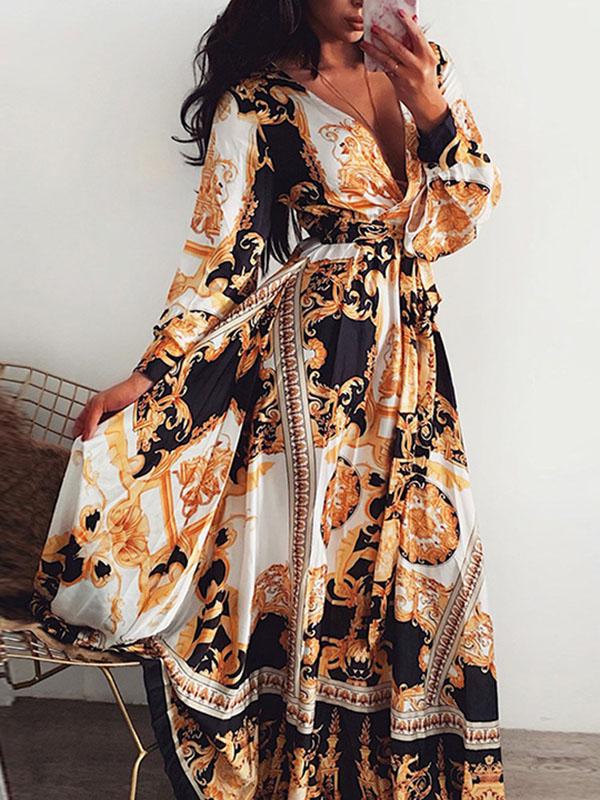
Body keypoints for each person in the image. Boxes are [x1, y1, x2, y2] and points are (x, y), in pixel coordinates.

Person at [29, 0, 506, 797]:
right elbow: (217, 260)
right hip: (311, 370)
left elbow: (461, 218)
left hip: (413, 365)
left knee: (427, 565)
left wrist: (429, 107)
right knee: (318, 567)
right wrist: (153, 374)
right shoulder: (258, 101)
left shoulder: (427, 72)